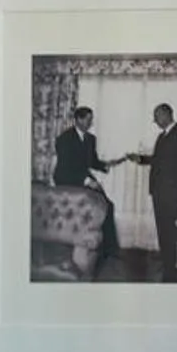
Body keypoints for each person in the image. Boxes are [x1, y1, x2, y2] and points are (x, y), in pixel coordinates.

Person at [50, 104, 119, 276]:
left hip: (84, 178)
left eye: (91, 120)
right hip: (67, 180)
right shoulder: (64, 139)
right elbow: (66, 166)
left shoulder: (91, 139)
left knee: (107, 206)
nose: (90, 123)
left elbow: (92, 161)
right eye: (88, 120)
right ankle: (73, 253)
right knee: (79, 212)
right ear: (78, 120)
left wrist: (105, 165)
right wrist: (87, 181)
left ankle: (108, 250)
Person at [145, 102, 177, 281]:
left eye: (157, 117)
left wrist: (175, 187)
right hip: (158, 191)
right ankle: (167, 263)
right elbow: (157, 160)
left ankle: (171, 268)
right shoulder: (161, 137)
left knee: (169, 229)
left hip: (170, 192)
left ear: (166, 115)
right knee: (162, 228)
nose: (155, 121)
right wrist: (141, 159)